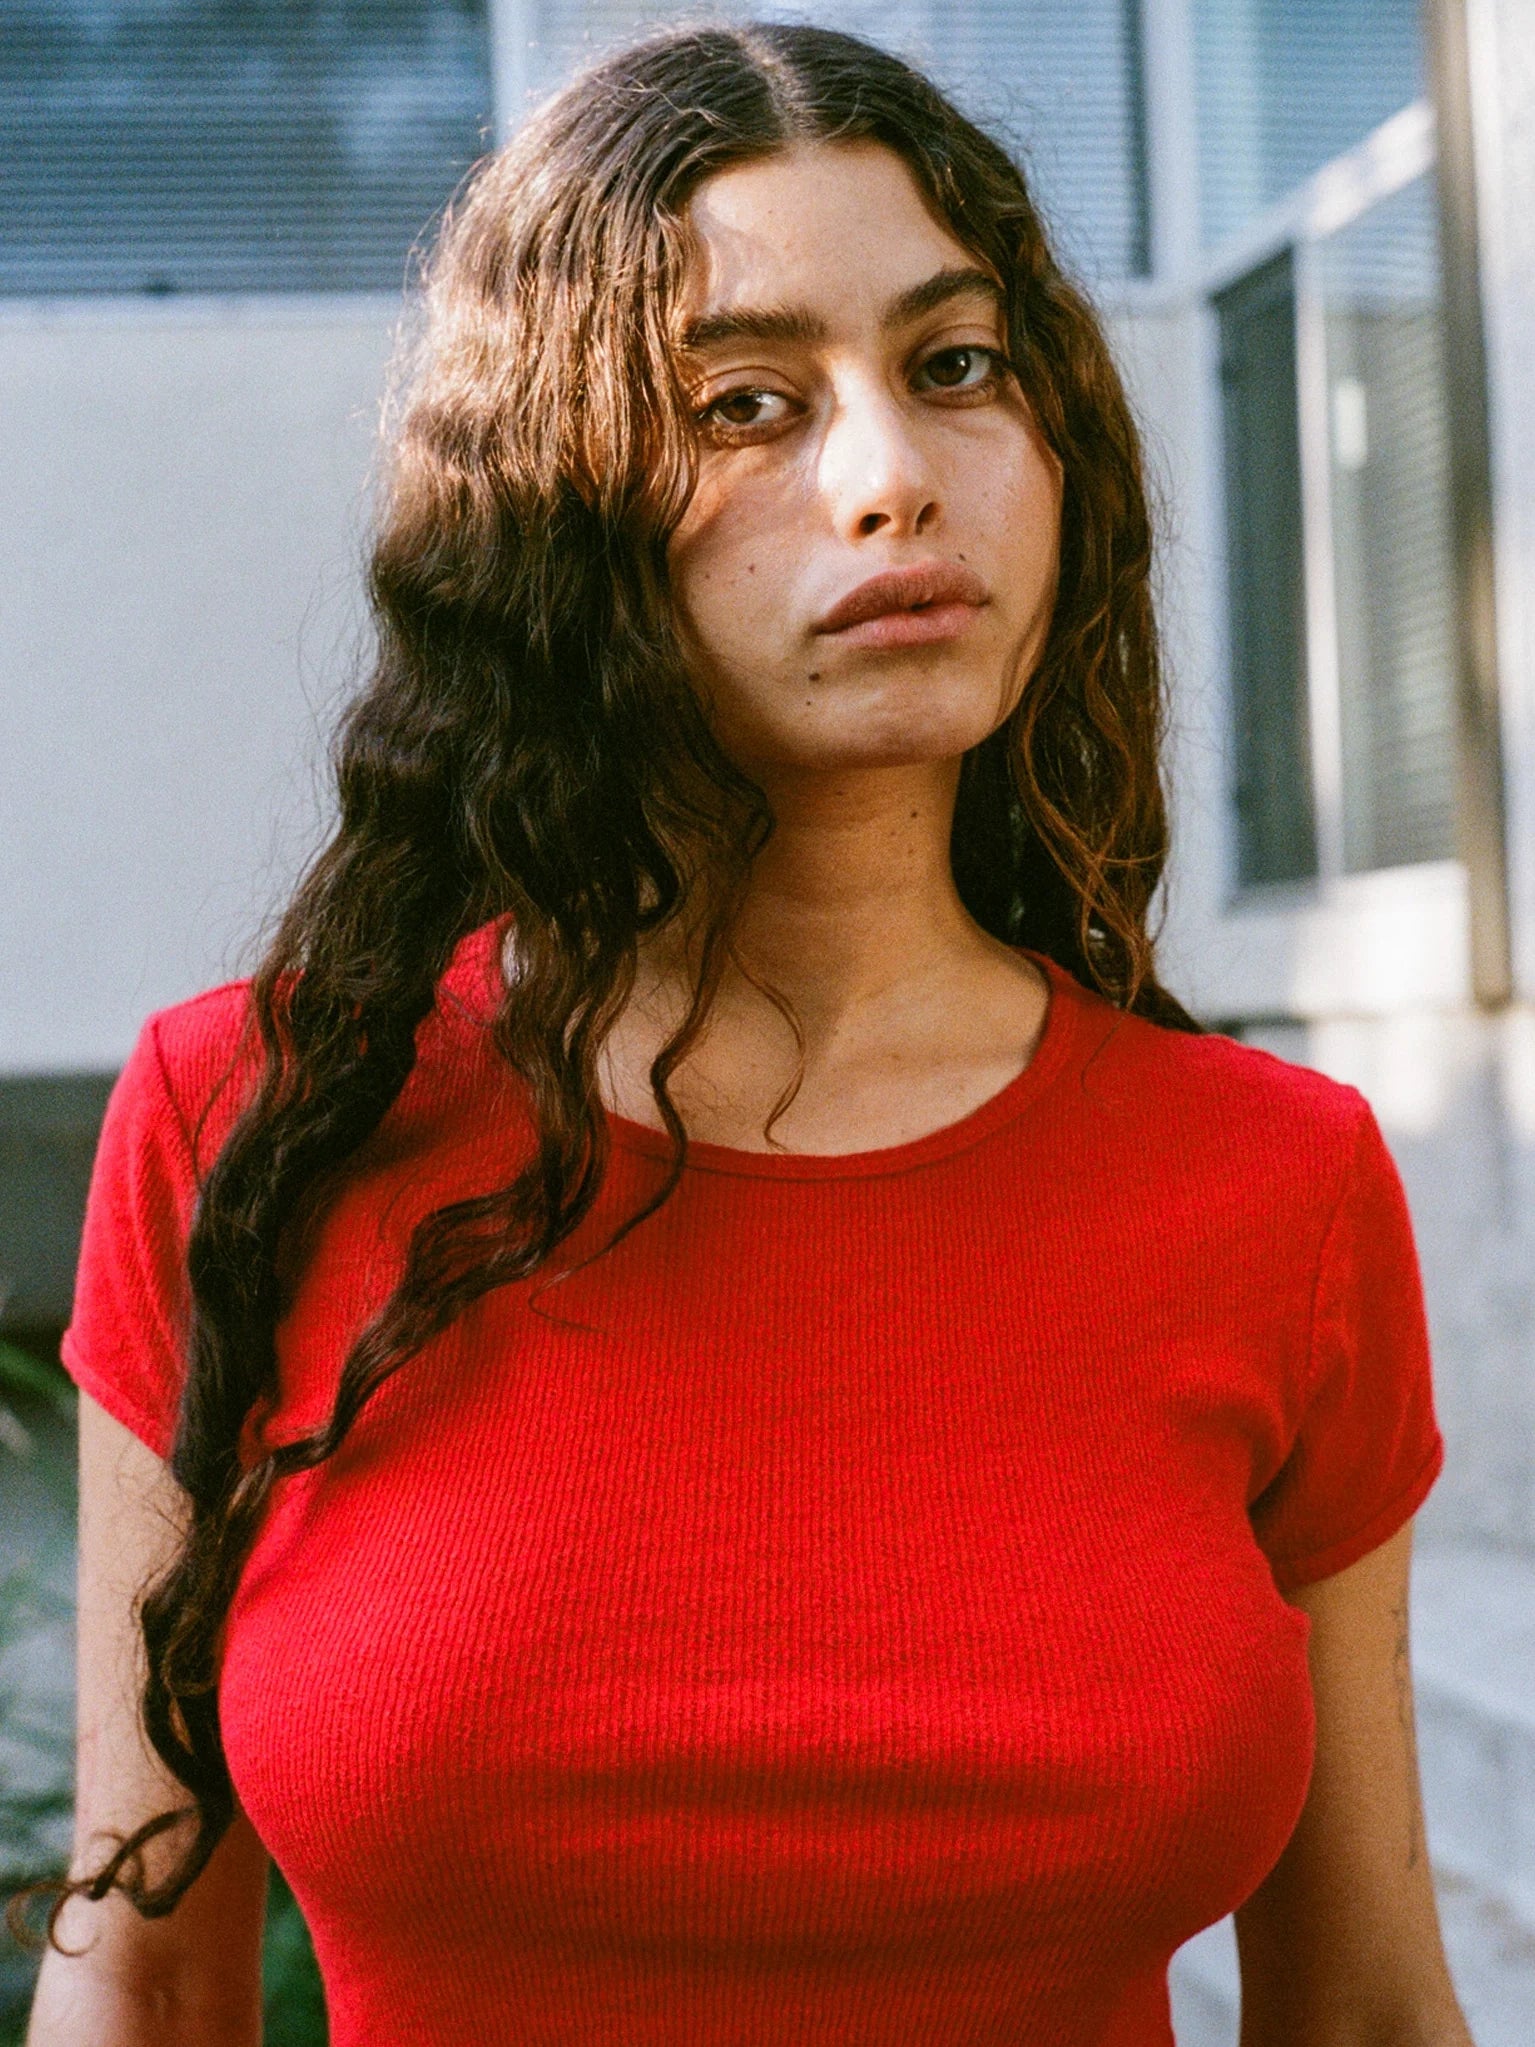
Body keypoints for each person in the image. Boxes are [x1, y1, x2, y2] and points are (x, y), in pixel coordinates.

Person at [17, 22, 1472, 2047]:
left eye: (957, 367)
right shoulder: (254, 1123)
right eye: (746, 404)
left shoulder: (1277, 1181)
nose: (891, 480)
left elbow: (1372, 2012)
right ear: (545, 513)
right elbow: (149, 1975)